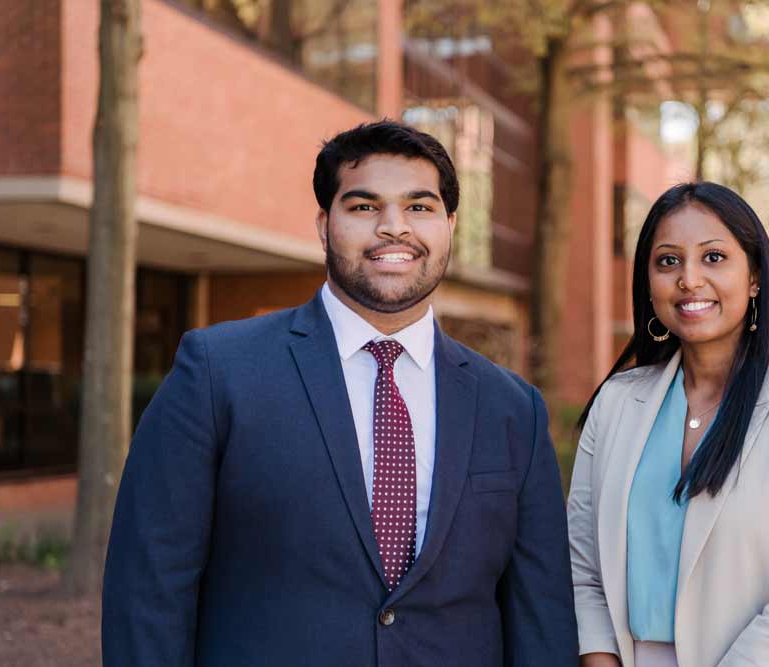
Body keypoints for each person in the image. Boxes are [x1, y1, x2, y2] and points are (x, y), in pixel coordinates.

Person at [102, 121, 577, 666]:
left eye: (419, 208)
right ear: (324, 225)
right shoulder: (217, 373)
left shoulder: (513, 409)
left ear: (449, 226)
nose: (393, 228)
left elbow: (541, 613)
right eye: (364, 207)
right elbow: (149, 588)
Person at [568, 182, 769, 667]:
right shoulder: (617, 403)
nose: (688, 278)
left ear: (754, 277)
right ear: (648, 282)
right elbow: (583, 568)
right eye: (668, 261)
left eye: (713, 258)